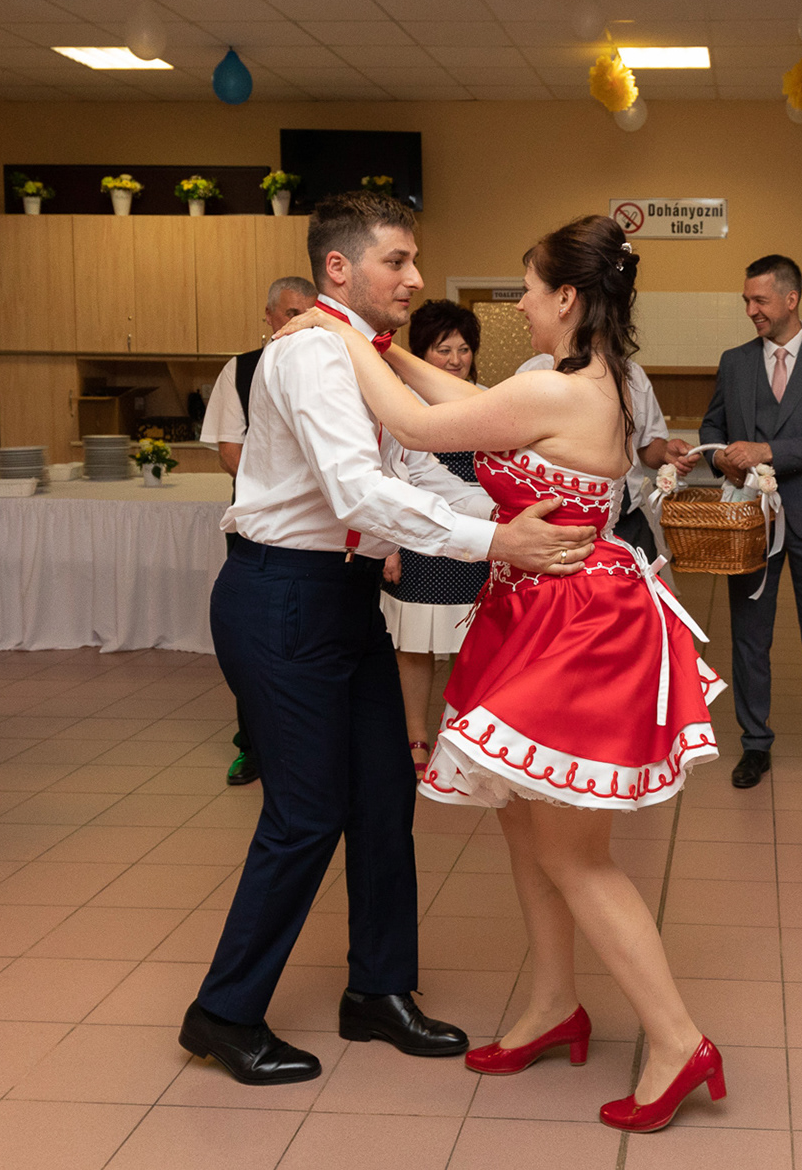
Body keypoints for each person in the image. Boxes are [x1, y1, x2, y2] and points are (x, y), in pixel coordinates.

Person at [277, 213, 730, 1130]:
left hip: (575, 624)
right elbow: (459, 395)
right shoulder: (573, 379)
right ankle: (553, 1004)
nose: (518, 305)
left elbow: (418, 423)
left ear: (567, 297)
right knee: (524, 828)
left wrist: (337, 328)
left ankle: (678, 1041)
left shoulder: (565, 392)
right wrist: (388, 349)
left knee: (572, 853)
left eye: (528, 289)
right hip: (538, 609)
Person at [181, 192, 597, 1089]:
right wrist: (497, 541)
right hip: (281, 595)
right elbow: (357, 493)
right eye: (397, 261)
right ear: (340, 268)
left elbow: (408, 469)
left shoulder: (361, 354)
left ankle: (377, 990)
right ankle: (223, 1012)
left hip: (342, 597)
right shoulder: (308, 354)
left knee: (382, 796)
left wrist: (518, 513)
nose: (415, 278)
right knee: (305, 816)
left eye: (413, 261)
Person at [700, 255, 802, 792]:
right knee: (749, 636)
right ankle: (755, 744)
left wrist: (765, 450)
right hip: (750, 520)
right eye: (746, 300)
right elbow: (712, 426)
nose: (751, 310)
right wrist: (720, 456)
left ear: (791, 299)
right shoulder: (735, 361)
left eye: (760, 300)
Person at [199, 275, 316, 787]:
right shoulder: (242, 369)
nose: (300, 323)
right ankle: (252, 746)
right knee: (257, 642)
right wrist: (289, 488)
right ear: (268, 317)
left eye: (308, 312)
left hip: (322, 534)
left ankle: (310, 745)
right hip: (258, 529)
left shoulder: (336, 363)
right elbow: (231, 451)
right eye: (290, 313)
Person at [377, 300, 492, 775]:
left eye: (463, 349)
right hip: (419, 534)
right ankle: (416, 737)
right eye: (443, 349)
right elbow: (393, 479)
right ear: (422, 351)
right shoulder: (401, 401)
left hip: (481, 535)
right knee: (416, 643)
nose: (455, 359)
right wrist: (391, 546)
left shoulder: (486, 399)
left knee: (475, 642)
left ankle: (465, 736)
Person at [516, 352, 693, 560]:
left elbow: (647, 446)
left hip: (627, 523)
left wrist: (664, 452)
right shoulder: (534, 373)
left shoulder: (631, 373)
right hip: (563, 528)